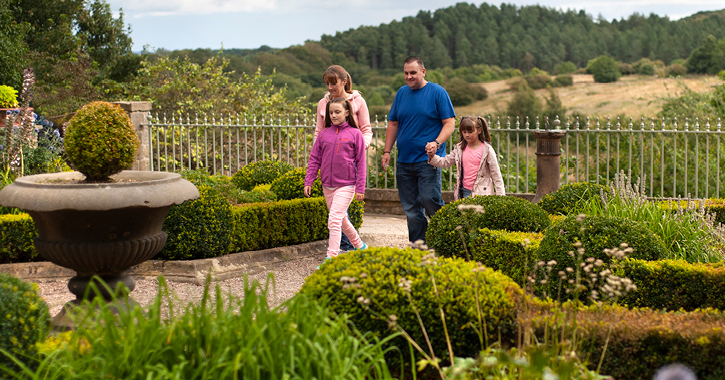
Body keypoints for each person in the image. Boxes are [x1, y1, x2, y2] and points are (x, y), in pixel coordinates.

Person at [381, 56, 455, 243]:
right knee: (411, 209)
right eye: (406, 73)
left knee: (429, 199)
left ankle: (447, 237)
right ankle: (420, 246)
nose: (409, 76)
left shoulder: (437, 92)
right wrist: (387, 151)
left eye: (413, 72)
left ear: (423, 72)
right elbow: (393, 123)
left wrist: (436, 143)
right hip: (404, 160)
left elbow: (449, 124)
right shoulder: (401, 93)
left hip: (428, 160)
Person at [315, 65, 372, 251]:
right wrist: (318, 154)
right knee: (339, 213)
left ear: (344, 81)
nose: (330, 88)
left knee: (337, 213)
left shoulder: (358, 101)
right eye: (327, 84)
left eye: (334, 83)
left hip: (350, 159)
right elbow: (320, 132)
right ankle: (356, 246)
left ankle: (337, 251)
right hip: (330, 160)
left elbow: (366, 130)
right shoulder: (323, 103)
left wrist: (357, 149)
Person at [305, 97, 368, 262]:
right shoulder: (323, 135)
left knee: (333, 219)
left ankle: (331, 258)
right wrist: (309, 181)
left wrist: (360, 188)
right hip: (327, 184)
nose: (333, 115)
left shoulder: (355, 134)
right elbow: (314, 159)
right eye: (331, 112)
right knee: (342, 219)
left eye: (337, 112)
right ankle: (360, 245)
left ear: (347, 113)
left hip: (347, 184)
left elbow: (361, 163)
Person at [426, 116, 505, 199]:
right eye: (464, 132)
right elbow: (446, 161)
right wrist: (432, 156)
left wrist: (501, 198)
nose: (467, 135)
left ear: (479, 130)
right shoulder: (460, 148)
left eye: (470, 132)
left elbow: (496, 175)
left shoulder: (487, 150)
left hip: (482, 194)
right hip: (463, 193)